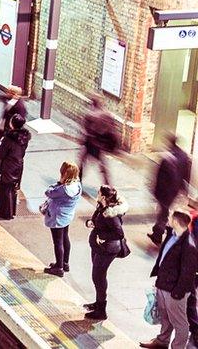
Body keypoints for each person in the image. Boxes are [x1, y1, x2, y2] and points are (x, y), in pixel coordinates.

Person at [142, 210, 198, 347]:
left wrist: (178, 293)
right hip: (163, 284)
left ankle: (177, 346)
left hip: (174, 290)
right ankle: (162, 341)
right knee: (165, 317)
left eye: (171, 217)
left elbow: (188, 273)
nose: (168, 218)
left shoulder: (189, 245)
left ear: (177, 221)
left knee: (179, 322)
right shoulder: (171, 235)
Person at [84, 185, 129, 322]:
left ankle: (101, 310)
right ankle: (98, 303)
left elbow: (119, 233)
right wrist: (91, 223)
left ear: (103, 196)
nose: (96, 194)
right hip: (99, 247)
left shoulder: (111, 214)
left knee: (98, 276)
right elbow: (97, 220)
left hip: (107, 249)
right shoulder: (101, 206)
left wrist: (102, 236)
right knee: (97, 276)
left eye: (98, 192)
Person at [150, 134, 193, 246]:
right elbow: (186, 174)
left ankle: (158, 233)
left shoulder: (167, 158)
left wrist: (154, 190)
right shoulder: (184, 156)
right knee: (164, 210)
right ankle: (157, 232)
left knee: (164, 212)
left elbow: (159, 177)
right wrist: (184, 189)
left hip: (164, 191)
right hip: (174, 190)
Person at [42, 162, 81, 277]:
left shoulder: (63, 189)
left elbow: (49, 192)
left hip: (57, 217)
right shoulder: (77, 185)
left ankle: (59, 268)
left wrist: (57, 183)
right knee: (65, 238)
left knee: (57, 242)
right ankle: (65, 263)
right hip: (67, 216)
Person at [0, 114, 30, 220]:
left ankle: (5, 213)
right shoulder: (25, 138)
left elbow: (1, 154)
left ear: (12, 123)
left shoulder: (9, 138)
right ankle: (12, 211)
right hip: (18, 165)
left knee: (5, 188)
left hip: (8, 166)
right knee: (12, 188)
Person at [80, 94, 119, 186]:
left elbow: (86, 131)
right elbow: (113, 130)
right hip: (100, 146)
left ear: (93, 103)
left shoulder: (90, 115)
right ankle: (108, 186)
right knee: (103, 167)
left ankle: (77, 181)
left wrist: (83, 140)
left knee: (82, 163)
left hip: (90, 144)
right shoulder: (107, 115)